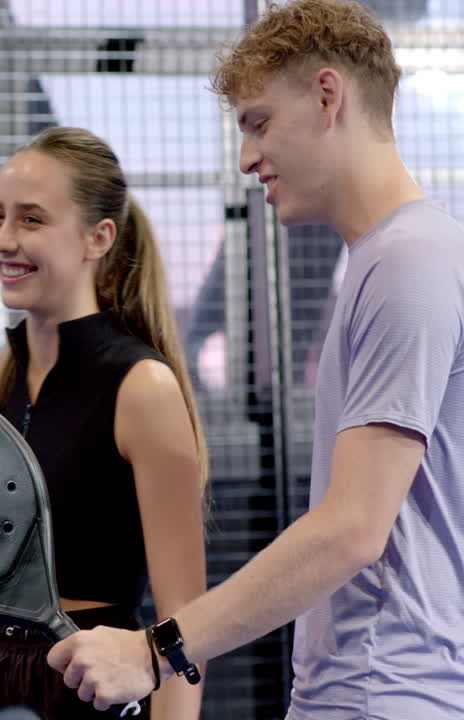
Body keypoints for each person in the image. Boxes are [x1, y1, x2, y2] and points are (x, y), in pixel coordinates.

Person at [48, 2, 464, 718]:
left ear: (328, 96)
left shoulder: (408, 263)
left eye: (259, 123)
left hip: (384, 693)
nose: (246, 159)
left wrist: (156, 651)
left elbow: (353, 528)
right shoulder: (390, 259)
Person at [0, 126, 208, 720]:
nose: (4, 239)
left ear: (98, 238)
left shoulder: (142, 389)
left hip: (95, 688)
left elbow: (186, 627)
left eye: (32, 220)